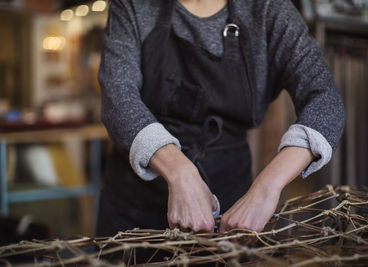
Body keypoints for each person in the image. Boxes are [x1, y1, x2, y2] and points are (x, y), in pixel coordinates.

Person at [96, 0, 345, 236]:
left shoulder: (269, 9)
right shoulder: (132, 5)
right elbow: (118, 96)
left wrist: (268, 187)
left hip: (230, 204)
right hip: (134, 209)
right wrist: (180, 171)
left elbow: (325, 100)